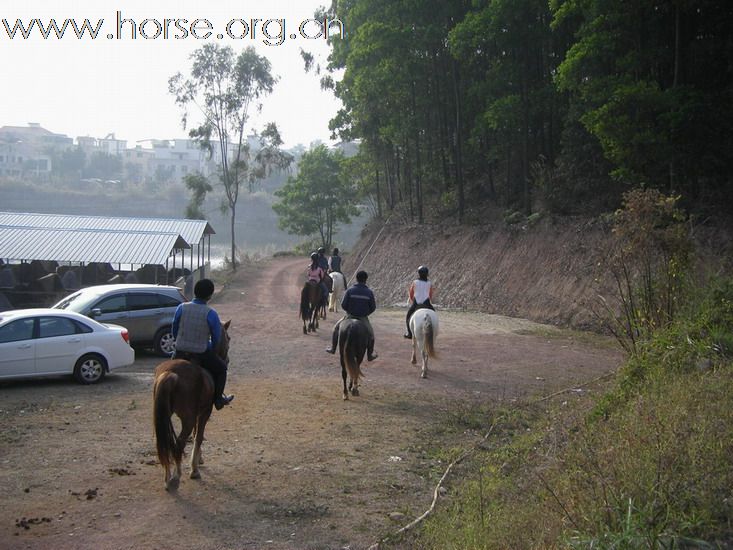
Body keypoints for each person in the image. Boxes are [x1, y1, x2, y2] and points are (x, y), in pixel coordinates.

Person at [171, 278, 234, 410]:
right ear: (210, 295)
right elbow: (217, 339)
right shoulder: (211, 314)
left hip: (180, 351)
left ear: (194, 292)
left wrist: (180, 341)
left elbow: (174, 329)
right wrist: (210, 346)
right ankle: (218, 399)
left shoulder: (181, 308)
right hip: (201, 353)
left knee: (164, 370)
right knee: (222, 369)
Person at [325, 270, 378, 361]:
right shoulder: (369, 292)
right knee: (371, 335)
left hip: (349, 316)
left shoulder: (350, 290)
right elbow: (373, 307)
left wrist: (349, 311)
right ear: (366, 280)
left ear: (356, 279)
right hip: (363, 318)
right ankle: (370, 355)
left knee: (336, 329)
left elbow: (343, 305)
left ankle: (333, 348)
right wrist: (365, 313)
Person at [404, 265, 435, 339]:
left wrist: (412, 300)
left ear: (419, 273)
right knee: (434, 314)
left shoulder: (415, 282)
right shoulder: (429, 283)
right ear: (427, 274)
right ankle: (434, 331)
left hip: (416, 304)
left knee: (408, 316)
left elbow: (411, 294)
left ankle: (409, 333)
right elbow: (430, 295)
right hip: (427, 303)